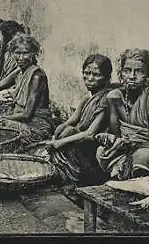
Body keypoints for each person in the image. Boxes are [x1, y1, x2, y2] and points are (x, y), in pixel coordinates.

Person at [95, 48, 149, 180]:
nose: (132, 76)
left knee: (142, 156)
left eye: (139, 72)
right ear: (120, 74)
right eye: (127, 71)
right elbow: (117, 136)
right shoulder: (114, 98)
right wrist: (113, 141)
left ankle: (134, 184)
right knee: (101, 151)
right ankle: (123, 177)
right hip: (126, 152)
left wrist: (131, 145)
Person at [47, 54, 114, 186]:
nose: (89, 78)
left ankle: (75, 183)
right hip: (80, 145)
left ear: (107, 78)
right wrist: (57, 133)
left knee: (69, 133)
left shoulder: (106, 100)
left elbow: (90, 134)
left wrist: (59, 142)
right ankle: (64, 176)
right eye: (86, 73)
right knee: (65, 129)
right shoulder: (87, 98)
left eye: (96, 75)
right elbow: (72, 120)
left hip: (92, 152)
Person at [0, 34, 53, 146]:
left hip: (36, 127)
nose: (21, 58)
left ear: (33, 54)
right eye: (17, 53)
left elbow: (27, 115)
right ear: (12, 53)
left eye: (25, 53)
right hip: (22, 121)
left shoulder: (37, 76)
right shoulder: (19, 72)